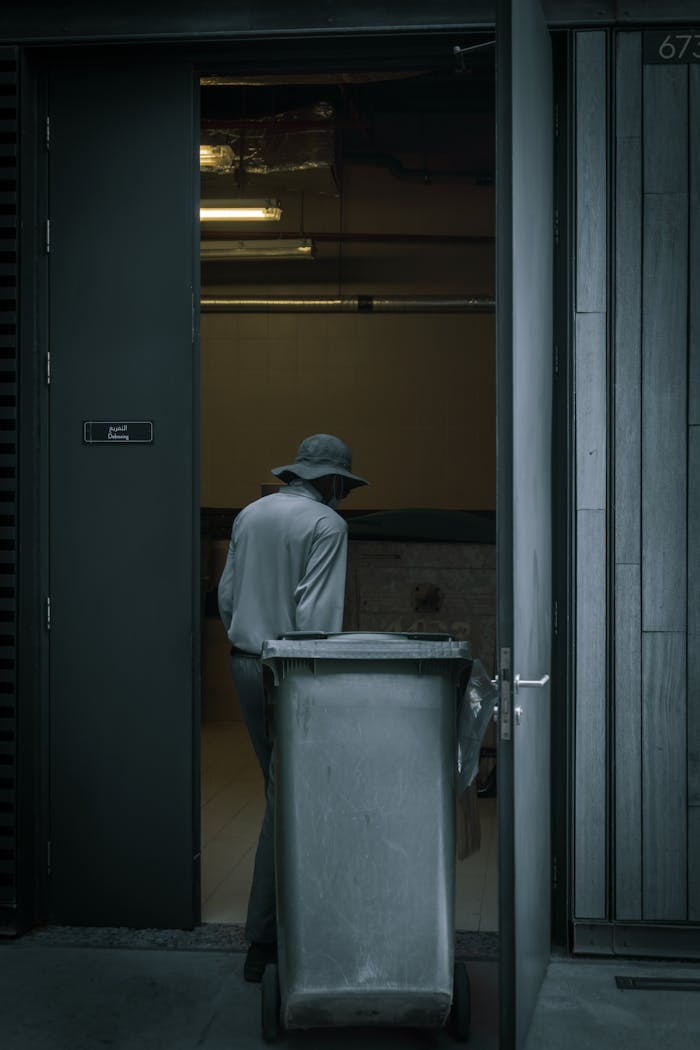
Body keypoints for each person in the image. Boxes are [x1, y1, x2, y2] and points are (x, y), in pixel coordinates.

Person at [217, 433, 368, 982]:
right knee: (289, 796)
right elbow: (316, 617)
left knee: (279, 790)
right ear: (329, 480)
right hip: (291, 669)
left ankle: (287, 923)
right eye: (343, 485)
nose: (343, 495)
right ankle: (266, 941)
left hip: (244, 662)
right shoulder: (327, 525)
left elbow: (227, 597)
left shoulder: (250, 514)